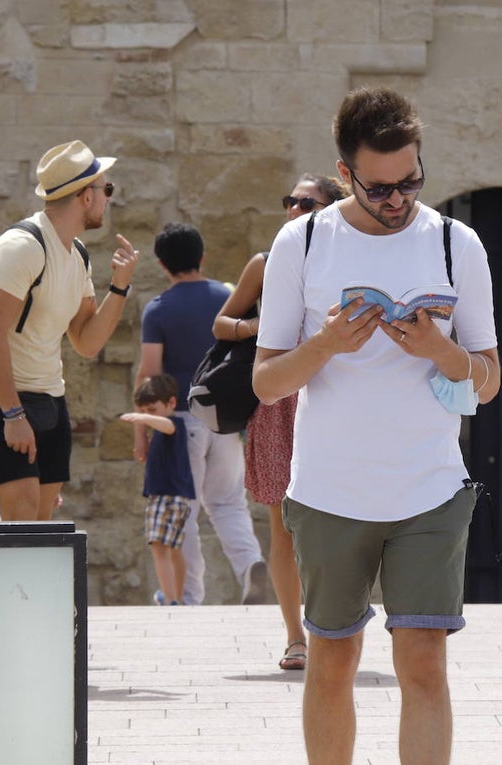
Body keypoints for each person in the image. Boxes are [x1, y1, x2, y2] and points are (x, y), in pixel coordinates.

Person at [253, 86, 501, 764]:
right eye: (380, 188)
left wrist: (441, 352)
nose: (398, 201)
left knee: (422, 662)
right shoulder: (301, 242)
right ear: (345, 175)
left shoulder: (457, 243)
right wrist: (327, 345)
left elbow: (489, 375)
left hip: (431, 486)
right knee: (332, 658)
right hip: (330, 490)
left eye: (410, 183)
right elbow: (266, 381)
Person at [212, 172, 350, 669]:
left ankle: (334, 624)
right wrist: (261, 326)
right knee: (283, 526)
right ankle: (296, 637)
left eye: (306, 204)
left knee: (341, 520)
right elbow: (222, 323)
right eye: (289, 201)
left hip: (335, 398)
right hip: (278, 402)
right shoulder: (266, 263)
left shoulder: (347, 259)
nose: (293, 210)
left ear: (331, 210)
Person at [0, 140, 138, 521]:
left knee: (40, 524)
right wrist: (12, 414)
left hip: (49, 398)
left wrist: (120, 286)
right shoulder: (21, 248)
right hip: (1, 396)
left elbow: (86, 342)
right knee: (22, 516)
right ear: (84, 197)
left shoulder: (77, 256)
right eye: (106, 189)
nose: (110, 198)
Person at [136, 222, 268, 606]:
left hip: (178, 421)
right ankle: (250, 567)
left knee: (184, 509)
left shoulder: (157, 310)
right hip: (224, 417)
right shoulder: (226, 295)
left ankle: (188, 594)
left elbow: (150, 373)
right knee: (228, 502)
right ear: (202, 256)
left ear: (162, 264)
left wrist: (141, 430)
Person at [121, 374, 195, 606]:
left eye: (152, 409)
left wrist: (142, 417)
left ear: (171, 403)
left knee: (159, 547)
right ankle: (175, 596)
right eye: (144, 410)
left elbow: (167, 424)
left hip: (166, 497)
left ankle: (171, 598)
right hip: (176, 498)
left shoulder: (174, 425)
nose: (147, 416)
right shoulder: (160, 430)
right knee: (173, 549)